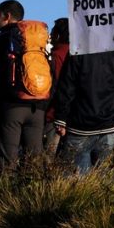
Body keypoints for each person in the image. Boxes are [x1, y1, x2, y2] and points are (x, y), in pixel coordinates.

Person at [0, 0, 46, 169]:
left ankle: (6, 196)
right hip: (37, 108)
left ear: (7, 16)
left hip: (10, 109)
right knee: (34, 165)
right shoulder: (36, 42)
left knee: (7, 164)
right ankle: (36, 195)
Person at [53, 49, 114, 173]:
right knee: (105, 180)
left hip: (80, 127)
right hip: (109, 127)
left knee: (75, 181)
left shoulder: (77, 51)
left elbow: (66, 88)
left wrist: (61, 118)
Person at [43, 18, 69, 156]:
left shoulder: (57, 55)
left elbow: (57, 85)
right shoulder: (78, 54)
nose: (50, 36)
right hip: (77, 116)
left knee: (49, 156)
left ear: (58, 35)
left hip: (55, 115)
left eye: (52, 32)